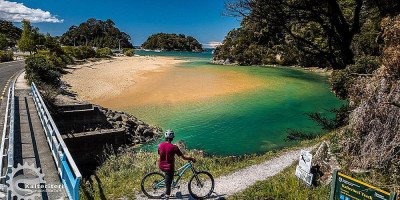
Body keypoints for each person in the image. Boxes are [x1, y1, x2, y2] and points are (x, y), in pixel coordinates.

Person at [158, 129, 196, 199]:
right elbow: (183, 157)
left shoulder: (160, 145)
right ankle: (167, 197)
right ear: (172, 138)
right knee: (168, 186)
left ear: (165, 137)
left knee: (169, 176)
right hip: (168, 168)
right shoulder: (174, 147)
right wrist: (191, 158)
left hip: (161, 165)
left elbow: (159, 153)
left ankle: (169, 181)